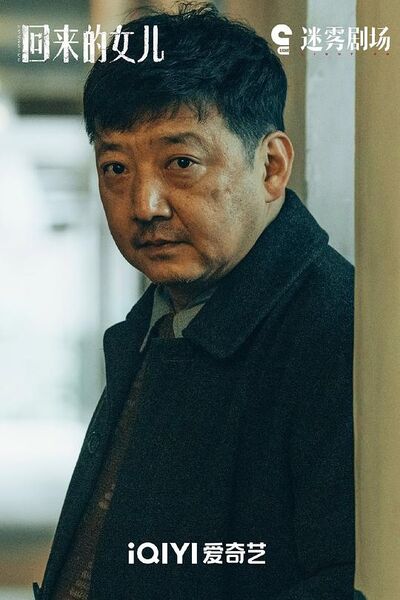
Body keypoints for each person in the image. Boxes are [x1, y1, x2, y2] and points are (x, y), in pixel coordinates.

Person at [35, 4, 355, 599]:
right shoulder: (156, 323)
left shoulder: (339, 332)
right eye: (115, 167)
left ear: (271, 167)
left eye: (181, 163)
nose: (144, 205)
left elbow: (341, 582)